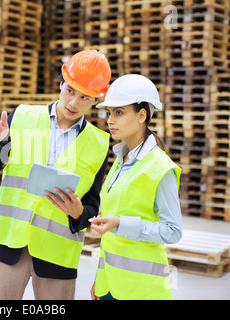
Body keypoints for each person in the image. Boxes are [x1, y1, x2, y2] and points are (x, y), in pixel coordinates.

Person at [0, 50, 111, 300]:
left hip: (56, 255)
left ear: (96, 100)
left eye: (84, 97)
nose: (73, 103)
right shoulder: (23, 117)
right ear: (60, 83)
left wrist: (79, 212)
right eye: (70, 90)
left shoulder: (100, 144)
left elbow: (91, 207)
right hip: (7, 242)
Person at [88, 74, 183, 300]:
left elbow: (173, 231)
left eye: (119, 112)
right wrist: (99, 280)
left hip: (142, 289)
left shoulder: (160, 167)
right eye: (110, 113)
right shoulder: (120, 162)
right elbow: (112, 235)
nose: (110, 120)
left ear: (142, 116)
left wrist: (122, 224)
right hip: (110, 285)